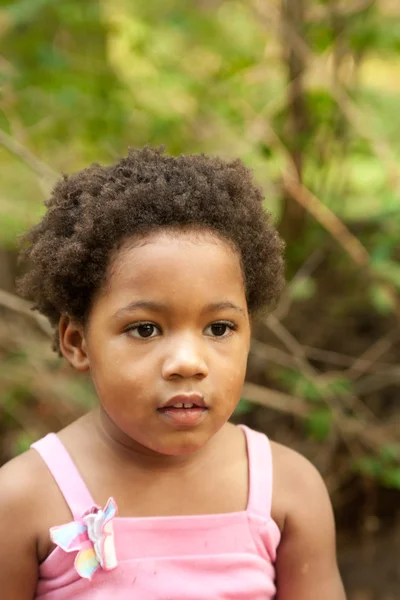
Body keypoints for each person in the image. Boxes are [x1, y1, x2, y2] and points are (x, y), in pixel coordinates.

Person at [0, 147, 346, 599]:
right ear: (77, 342)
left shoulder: (288, 490)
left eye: (219, 328)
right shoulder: (23, 500)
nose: (188, 362)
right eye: (145, 329)